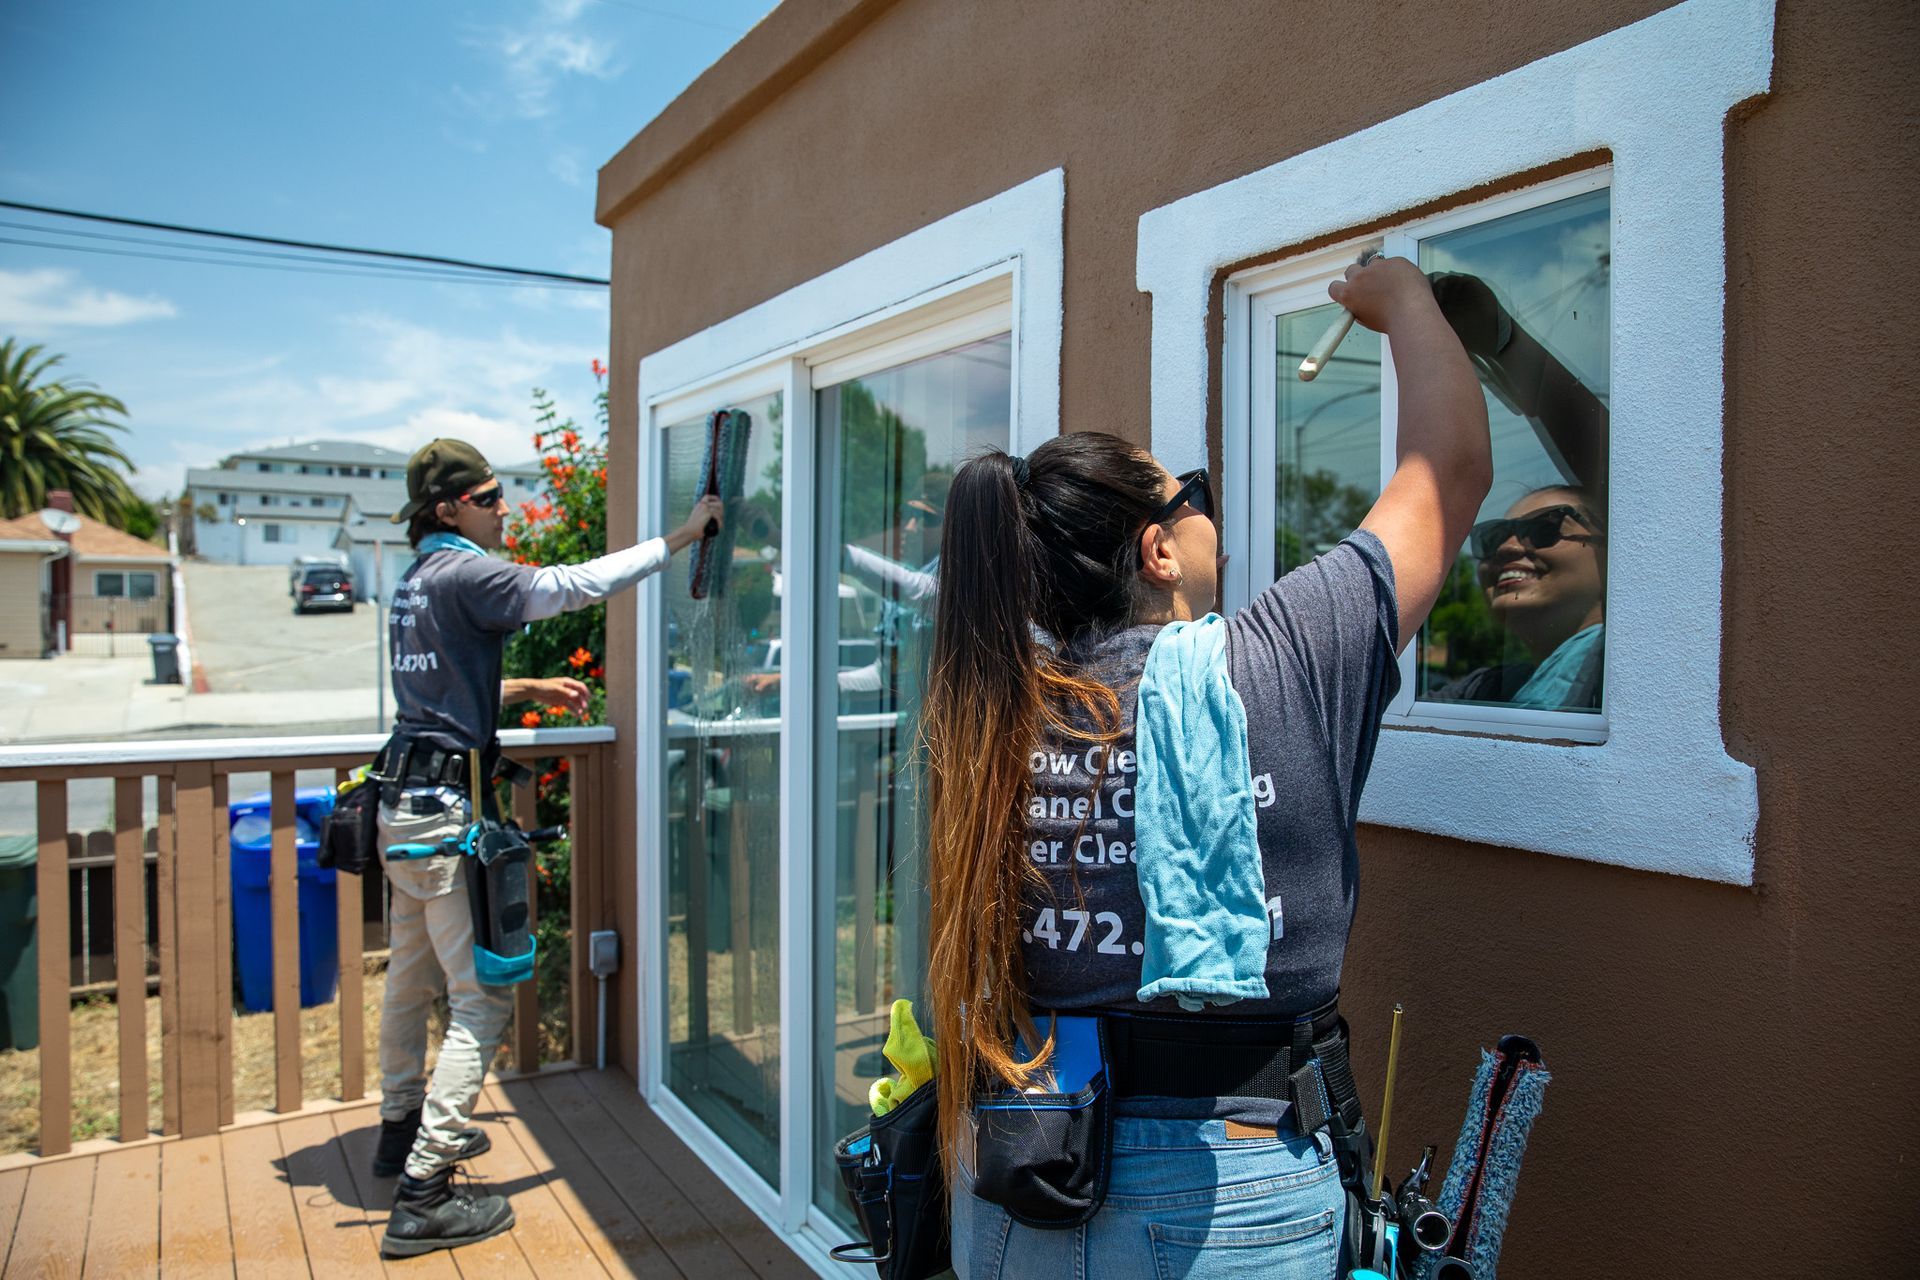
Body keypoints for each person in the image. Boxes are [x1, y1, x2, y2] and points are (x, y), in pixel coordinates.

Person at [923, 253, 1490, 1276]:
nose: (1208, 510)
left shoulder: (991, 715)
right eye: (1195, 493)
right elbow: (1446, 475)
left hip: (1018, 1175)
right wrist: (1405, 299)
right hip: (1234, 1187)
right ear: (1158, 550)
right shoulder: (1280, 657)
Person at [371, 438, 722, 1259]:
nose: (506, 509)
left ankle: (399, 1132)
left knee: (409, 980)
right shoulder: (469, 574)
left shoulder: (415, 584)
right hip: (446, 817)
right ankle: (423, 1191)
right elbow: (571, 587)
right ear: (449, 508)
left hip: (400, 810)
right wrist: (680, 537)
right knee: (481, 1001)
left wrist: (526, 689)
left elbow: (441, 684)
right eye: (491, 498)